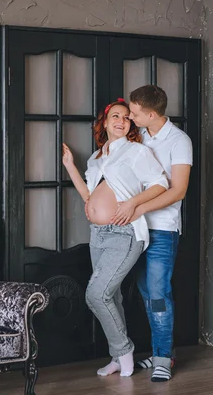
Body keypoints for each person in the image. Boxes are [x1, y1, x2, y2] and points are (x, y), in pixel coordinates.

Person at [62, 98, 168, 377]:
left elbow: (161, 184)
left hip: (125, 232)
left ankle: (124, 350)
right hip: (98, 235)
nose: (121, 121)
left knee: (97, 294)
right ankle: (117, 358)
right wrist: (70, 166)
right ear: (105, 123)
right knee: (113, 297)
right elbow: (88, 197)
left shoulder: (136, 151)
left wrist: (132, 203)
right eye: (115, 117)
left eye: (126, 117)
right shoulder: (97, 158)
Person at [111, 85, 193, 382]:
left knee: (158, 295)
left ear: (151, 113)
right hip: (135, 229)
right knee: (146, 293)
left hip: (162, 229)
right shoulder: (139, 137)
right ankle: (164, 353)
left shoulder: (179, 141)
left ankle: (161, 359)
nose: (129, 117)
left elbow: (178, 190)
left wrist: (138, 207)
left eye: (133, 112)